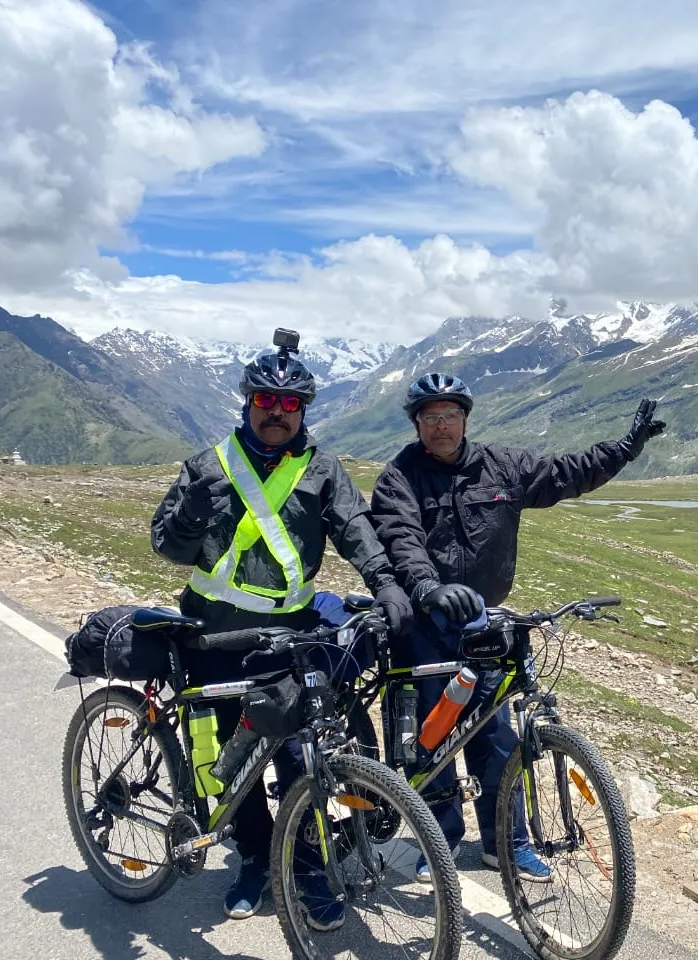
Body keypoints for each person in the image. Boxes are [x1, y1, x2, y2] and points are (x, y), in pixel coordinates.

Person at [151, 331, 414, 928]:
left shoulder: (323, 470)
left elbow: (357, 530)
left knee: (301, 753)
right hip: (211, 638)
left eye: (289, 405)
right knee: (229, 763)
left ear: (302, 412)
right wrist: (191, 512)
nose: (276, 412)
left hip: (288, 638)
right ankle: (253, 861)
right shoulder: (208, 465)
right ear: (246, 403)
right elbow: (166, 545)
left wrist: (386, 582)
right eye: (265, 401)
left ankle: (306, 867)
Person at [370, 372, 665, 882]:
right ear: (417, 423)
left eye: (451, 416)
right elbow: (400, 537)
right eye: (431, 418)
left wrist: (625, 449)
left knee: (497, 739)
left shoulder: (503, 466)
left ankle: (505, 843)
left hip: (484, 623)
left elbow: (569, 472)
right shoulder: (399, 476)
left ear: (465, 418)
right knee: (432, 739)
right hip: (425, 626)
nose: (442, 427)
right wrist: (427, 587)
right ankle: (436, 840)